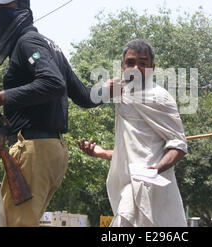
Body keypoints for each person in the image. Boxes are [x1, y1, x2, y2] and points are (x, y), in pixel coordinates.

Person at [0, 0, 105, 226]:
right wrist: (111, 90)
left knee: (17, 224)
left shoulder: (29, 42)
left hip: (35, 150)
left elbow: (53, 84)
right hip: (52, 150)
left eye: (6, 7)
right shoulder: (51, 47)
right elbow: (85, 97)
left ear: (23, 9)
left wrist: (1, 97)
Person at [77, 39, 188, 227]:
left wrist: (155, 170)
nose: (135, 68)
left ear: (152, 67)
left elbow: (179, 145)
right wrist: (101, 153)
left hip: (150, 186)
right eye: (130, 63)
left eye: (142, 64)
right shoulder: (120, 92)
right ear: (122, 66)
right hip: (128, 181)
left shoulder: (161, 98)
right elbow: (135, 148)